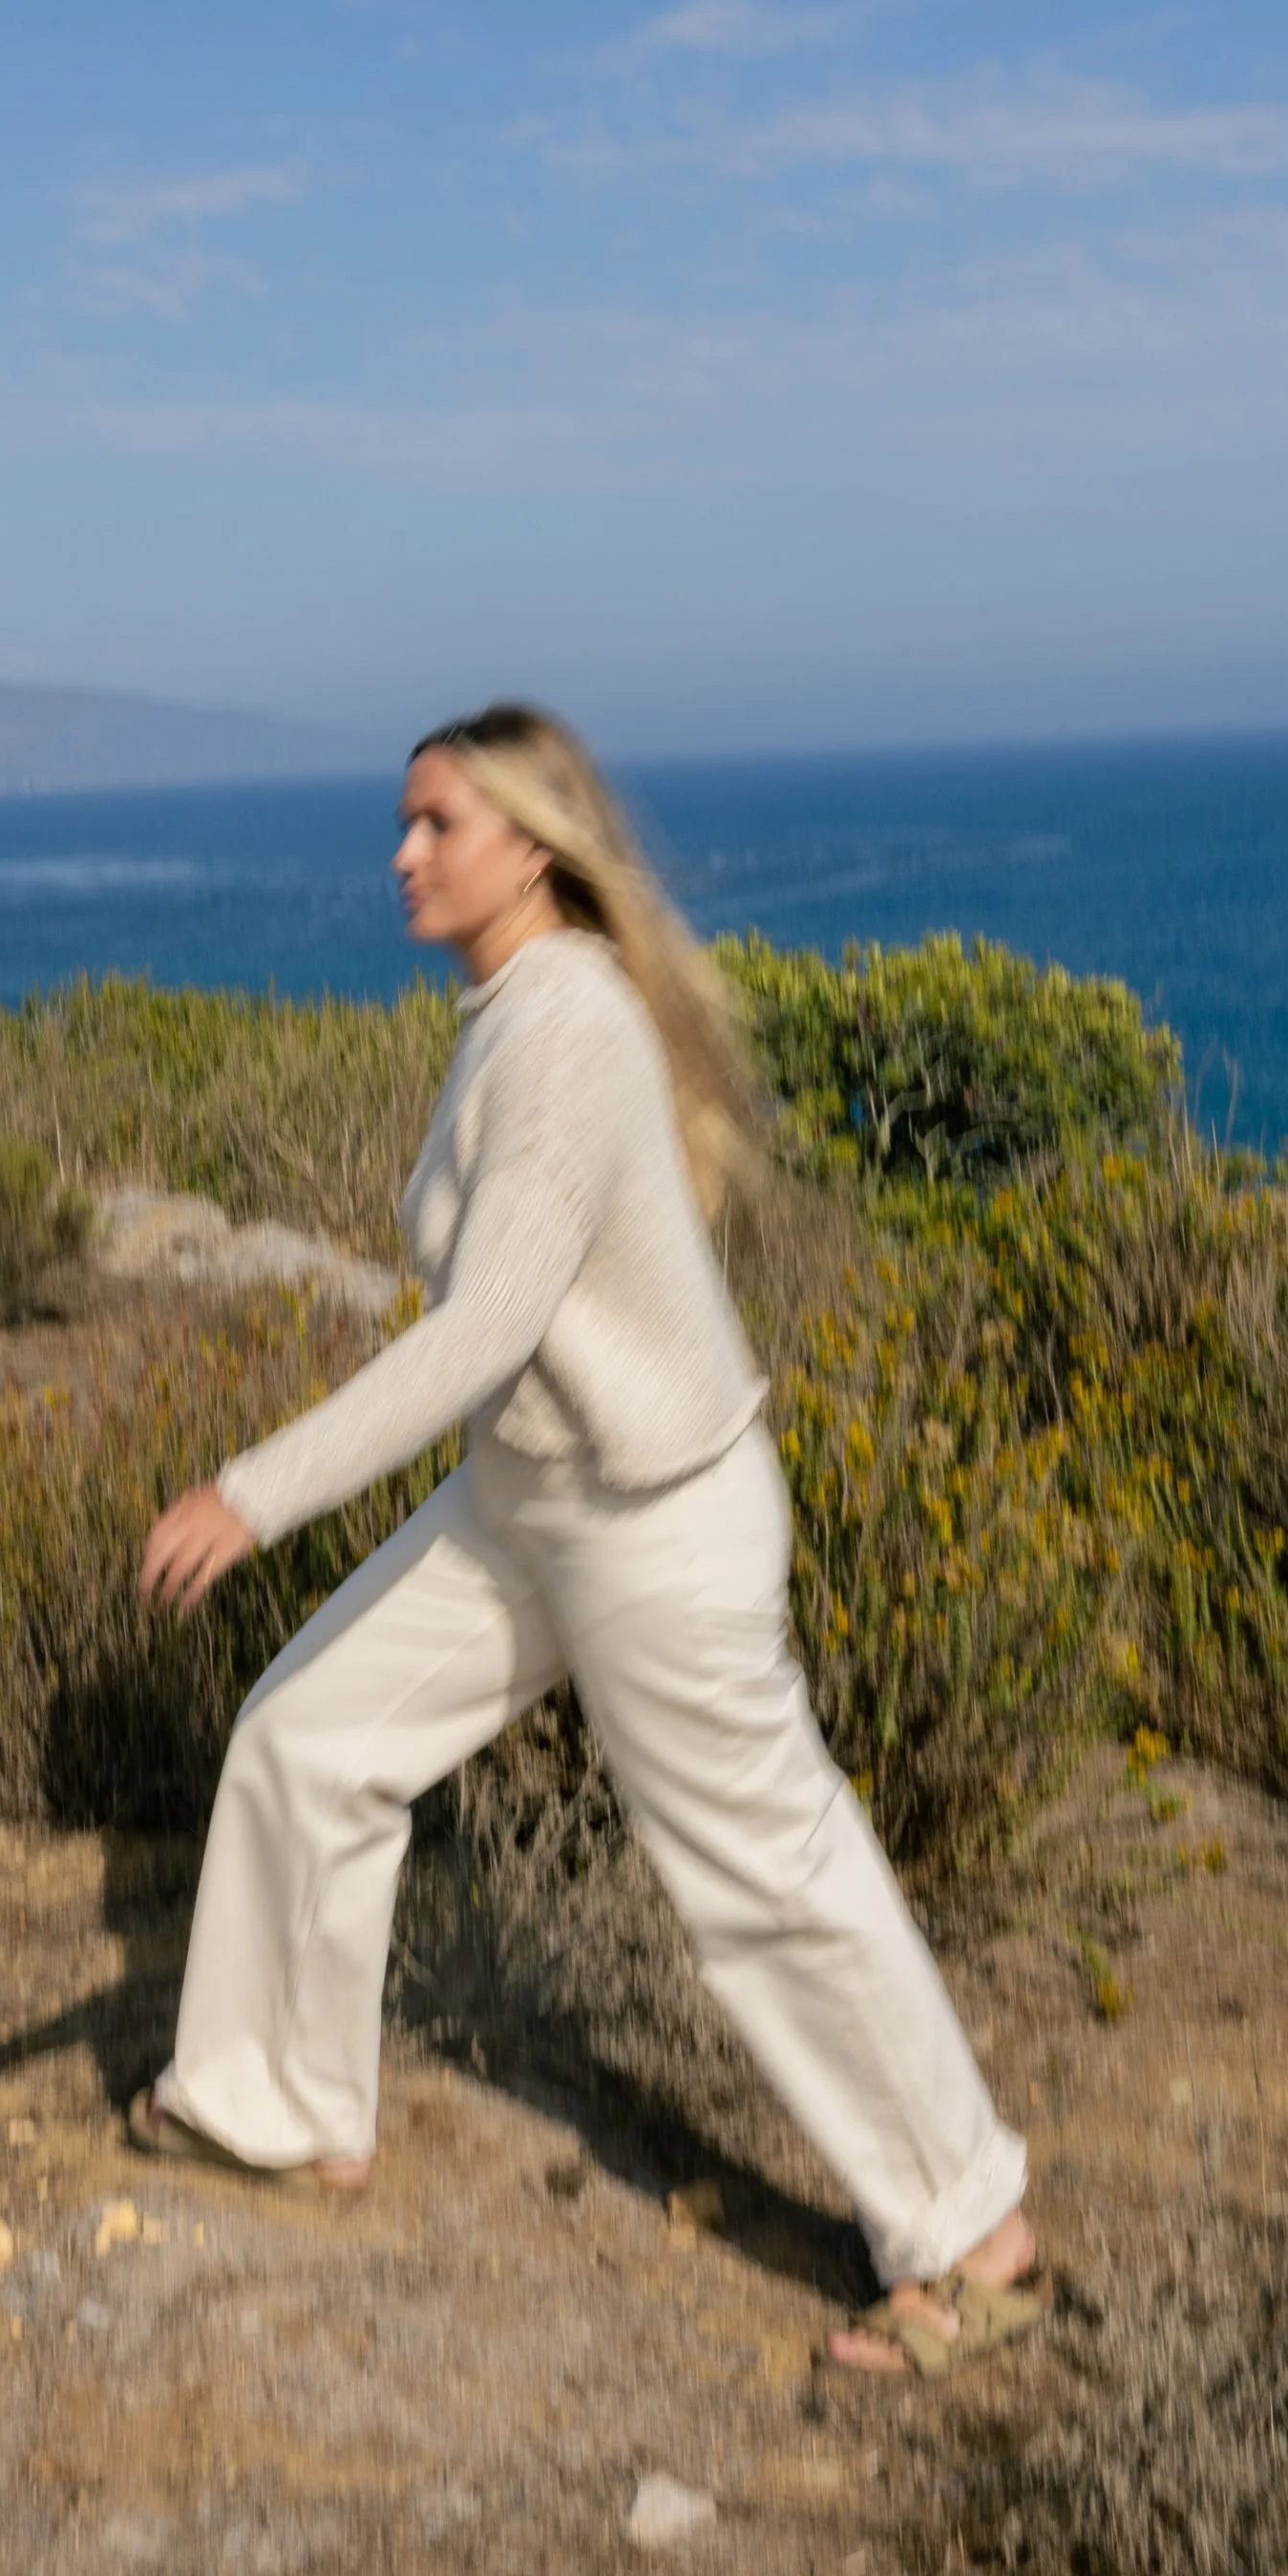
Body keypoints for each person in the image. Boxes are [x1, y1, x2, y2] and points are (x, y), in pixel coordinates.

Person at [133, 704, 1041, 2376]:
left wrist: (249, 1491)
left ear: (533, 846)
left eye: (436, 825)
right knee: (309, 1738)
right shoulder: (512, 1005)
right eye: (401, 824)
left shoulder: (560, 1023)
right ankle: (271, 2107)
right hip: (536, 1499)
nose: (401, 854)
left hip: (652, 1524)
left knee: (766, 1877)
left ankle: (972, 2231)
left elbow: (486, 1327)